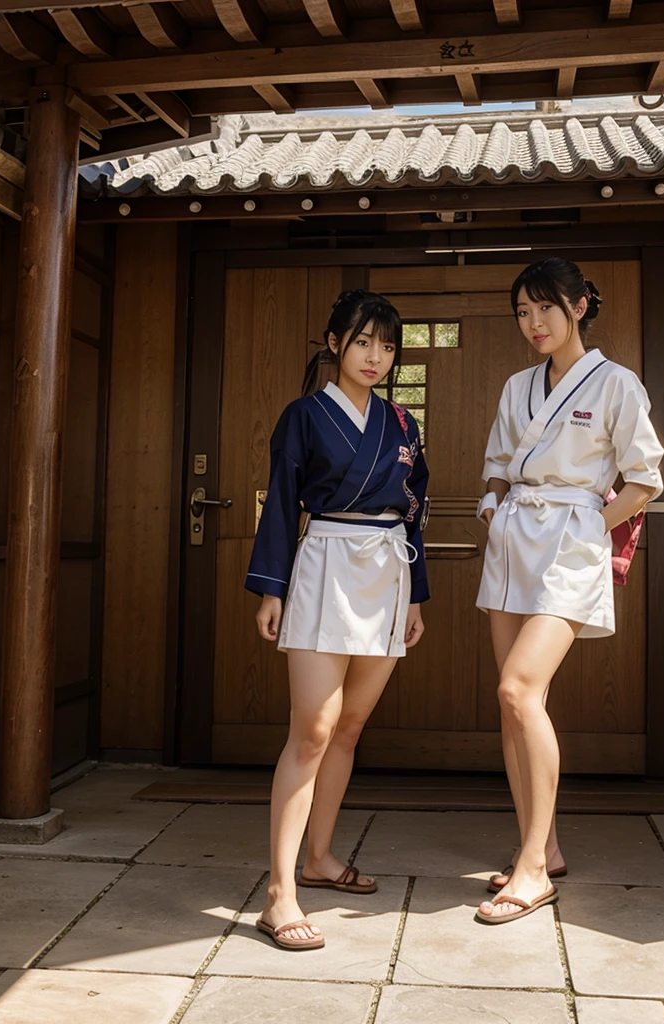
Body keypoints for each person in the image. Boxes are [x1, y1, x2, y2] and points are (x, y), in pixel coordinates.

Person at [474, 257, 664, 924]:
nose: (534, 323)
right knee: (515, 707)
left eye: (545, 307)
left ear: (579, 305)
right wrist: (492, 504)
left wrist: (590, 525)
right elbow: (497, 466)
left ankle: (532, 872)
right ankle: (543, 846)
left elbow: (645, 480)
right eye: (522, 311)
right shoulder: (515, 386)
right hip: (510, 544)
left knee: (517, 689)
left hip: (568, 547)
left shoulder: (617, 384)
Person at [246, 290, 429, 950]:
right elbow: (279, 507)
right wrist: (271, 588)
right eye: (362, 342)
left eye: (386, 345)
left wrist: (415, 597)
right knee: (314, 731)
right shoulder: (303, 417)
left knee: (350, 727)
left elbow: (414, 515)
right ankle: (279, 893)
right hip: (323, 563)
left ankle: (319, 858)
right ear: (333, 345)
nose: (375, 356)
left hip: (387, 573)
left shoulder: (403, 425)